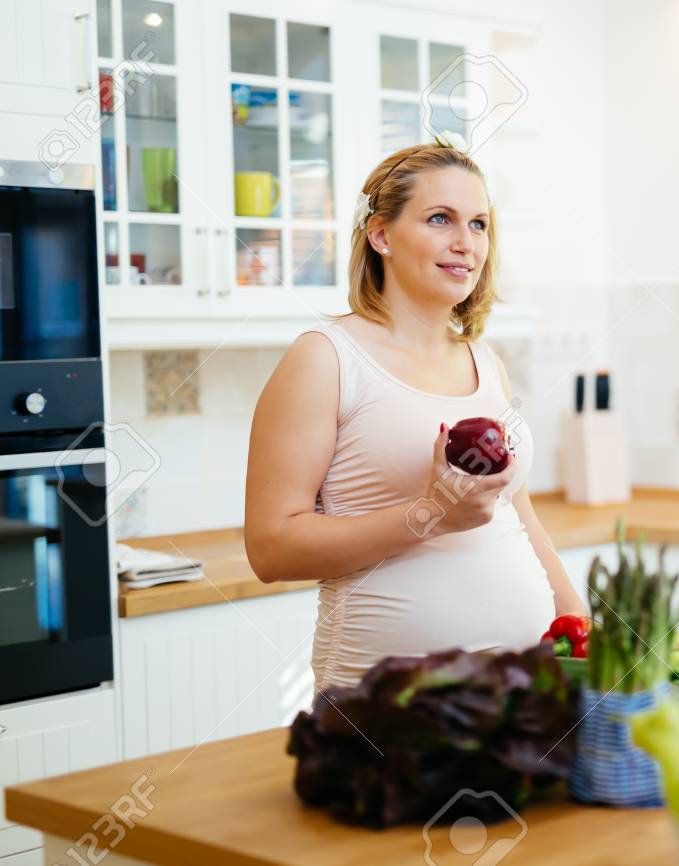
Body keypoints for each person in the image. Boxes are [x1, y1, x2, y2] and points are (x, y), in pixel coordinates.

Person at [244, 133, 586, 690]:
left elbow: (519, 517)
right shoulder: (325, 358)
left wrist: (578, 623)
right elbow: (270, 549)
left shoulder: (483, 359)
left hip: (521, 693)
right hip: (386, 708)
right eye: (440, 219)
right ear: (381, 234)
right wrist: (427, 515)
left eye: (478, 224)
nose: (466, 242)